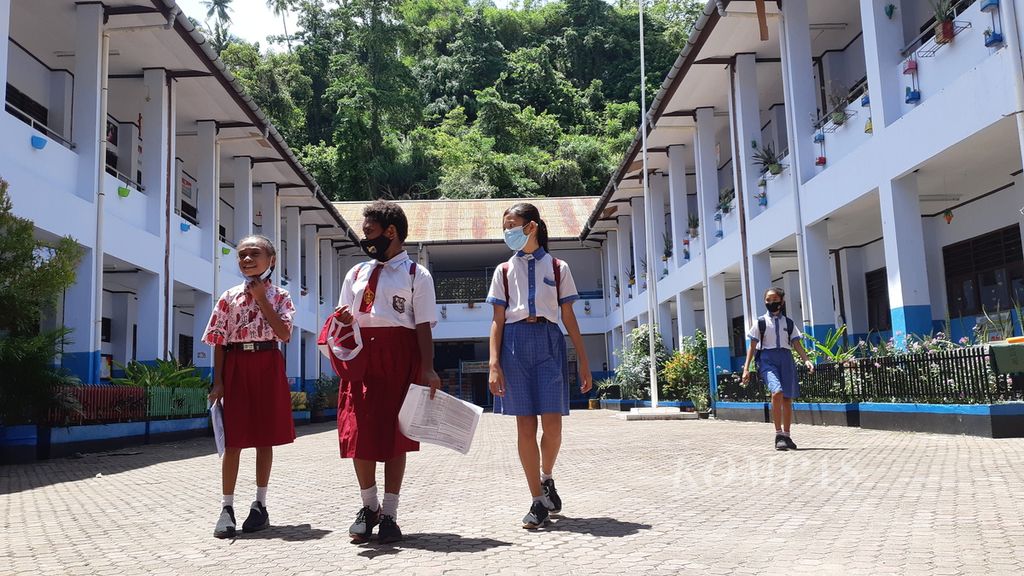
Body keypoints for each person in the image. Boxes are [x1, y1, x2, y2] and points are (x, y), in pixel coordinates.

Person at [334, 200, 441, 545]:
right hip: (362, 357)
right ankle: (369, 507)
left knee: (397, 436)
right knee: (358, 434)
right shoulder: (355, 273)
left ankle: (391, 513)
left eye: (369, 232)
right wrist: (344, 322)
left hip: (400, 357)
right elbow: (341, 318)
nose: (365, 240)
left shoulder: (416, 274)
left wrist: (427, 368)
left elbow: (423, 325)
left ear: (390, 231)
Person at [486, 202, 592, 529]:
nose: (508, 233)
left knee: (554, 426)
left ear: (531, 226)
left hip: (549, 341)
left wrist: (584, 361)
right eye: (505, 227)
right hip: (514, 345)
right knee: (525, 427)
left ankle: (547, 477)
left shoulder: (559, 267)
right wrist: (493, 363)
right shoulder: (503, 271)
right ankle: (536, 500)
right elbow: (497, 321)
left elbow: (570, 317)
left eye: (512, 225)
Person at [203, 235, 297, 539]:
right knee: (233, 440)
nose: (246, 259)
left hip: (268, 362)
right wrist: (218, 381)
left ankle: (260, 505)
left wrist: (261, 300)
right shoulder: (228, 297)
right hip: (236, 365)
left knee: (263, 438)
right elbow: (218, 340)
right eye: (241, 255)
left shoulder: (281, 296)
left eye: (254, 253)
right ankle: (226, 507)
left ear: (271, 260)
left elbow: (283, 334)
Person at [741, 287, 814, 451]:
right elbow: (752, 347)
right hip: (767, 359)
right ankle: (778, 434)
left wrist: (807, 360)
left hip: (786, 359)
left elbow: (797, 344)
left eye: (774, 300)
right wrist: (746, 369)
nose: (771, 303)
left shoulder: (788, 323)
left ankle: (787, 436)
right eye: (768, 300)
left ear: (782, 301)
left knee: (787, 398)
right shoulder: (760, 323)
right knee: (777, 392)